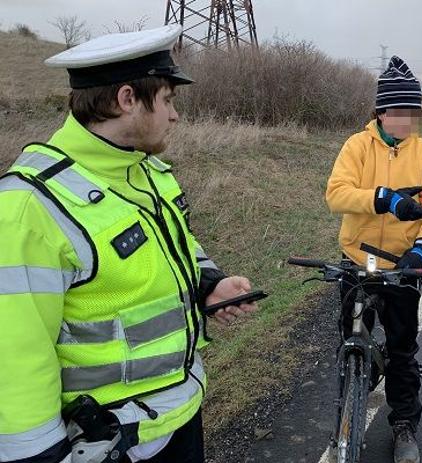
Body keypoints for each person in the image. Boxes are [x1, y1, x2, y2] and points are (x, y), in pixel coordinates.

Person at [0, 25, 258, 463]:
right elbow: (14, 357)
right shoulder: (29, 207)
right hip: (108, 444)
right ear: (127, 100)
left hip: (177, 415)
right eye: (168, 101)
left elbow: (179, 248)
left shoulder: (148, 172)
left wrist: (208, 283)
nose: (175, 116)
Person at [325, 56, 422, 463]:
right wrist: (383, 199)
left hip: (403, 267)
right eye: (399, 112)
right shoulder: (356, 147)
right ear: (380, 111)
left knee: (401, 350)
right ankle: (347, 414)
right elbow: (336, 194)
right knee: (351, 341)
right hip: (357, 261)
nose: (408, 121)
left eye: (414, 113)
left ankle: (404, 424)